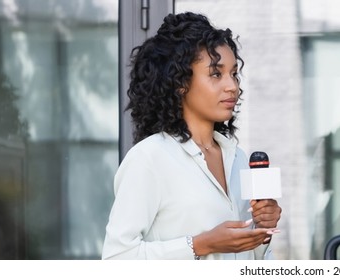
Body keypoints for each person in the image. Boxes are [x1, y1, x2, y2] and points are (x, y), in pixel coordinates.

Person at [102, 12, 282, 260]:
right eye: (216, 74)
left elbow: (254, 257)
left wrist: (262, 231)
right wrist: (200, 245)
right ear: (180, 82)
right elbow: (116, 259)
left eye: (234, 74)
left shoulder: (237, 158)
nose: (232, 86)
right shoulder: (149, 158)